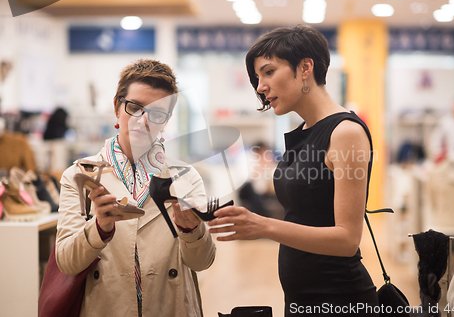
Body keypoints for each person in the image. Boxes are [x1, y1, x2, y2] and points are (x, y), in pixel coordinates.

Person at [207, 25, 378, 316]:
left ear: (305, 68)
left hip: (339, 298)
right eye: (258, 78)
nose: (260, 86)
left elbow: (348, 240)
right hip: (301, 297)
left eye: (269, 72)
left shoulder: (345, 133)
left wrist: (263, 226)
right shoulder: (303, 130)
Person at [55, 59, 215, 317]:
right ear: (117, 107)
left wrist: (191, 229)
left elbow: (202, 261)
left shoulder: (185, 176)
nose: (143, 121)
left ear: (167, 119)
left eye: (157, 113)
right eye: (135, 108)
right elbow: (66, 262)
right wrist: (99, 228)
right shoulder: (79, 176)